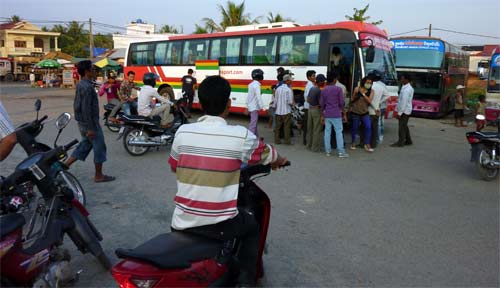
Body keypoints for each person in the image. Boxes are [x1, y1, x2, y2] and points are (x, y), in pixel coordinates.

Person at [168, 75, 287, 286]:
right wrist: (281, 160)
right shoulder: (240, 136)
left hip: (181, 220)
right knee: (251, 226)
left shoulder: (182, 131)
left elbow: (174, 166)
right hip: (219, 223)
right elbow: (270, 155)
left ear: (200, 102)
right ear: (229, 104)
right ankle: (245, 282)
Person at [65, 60, 115, 183]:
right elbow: (86, 108)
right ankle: (99, 176)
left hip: (83, 122)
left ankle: (63, 166)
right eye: (92, 69)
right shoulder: (87, 87)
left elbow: (78, 106)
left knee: (85, 145)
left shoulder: (82, 84)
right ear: (87, 71)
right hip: (90, 123)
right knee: (99, 148)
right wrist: (91, 128)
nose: (94, 71)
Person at [321, 73, 349, 158]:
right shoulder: (338, 89)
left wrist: (322, 114)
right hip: (336, 114)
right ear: (334, 80)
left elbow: (322, 104)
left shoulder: (324, 90)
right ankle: (341, 152)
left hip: (327, 113)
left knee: (327, 132)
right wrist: (344, 113)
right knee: (339, 132)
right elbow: (341, 103)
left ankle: (328, 151)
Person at [350, 77, 374, 152]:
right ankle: (353, 142)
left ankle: (367, 143)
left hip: (365, 112)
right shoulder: (357, 88)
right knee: (355, 127)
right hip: (355, 111)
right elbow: (352, 99)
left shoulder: (372, 91)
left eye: (370, 83)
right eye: (367, 82)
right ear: (364, 82)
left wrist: (363, 93)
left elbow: (369, 101)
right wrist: (355, 92)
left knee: (368, 126)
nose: (369, 84)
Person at [368, 70, 391, 148]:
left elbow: (367, 99)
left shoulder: (370, 86)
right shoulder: (382, 86)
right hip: (378, 108)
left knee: (368, 126)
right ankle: (376, 141)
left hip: (370, 109)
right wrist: (380, 102)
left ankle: (368, 142)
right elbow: (388, 96)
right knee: (377, 125)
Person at [391, 74, 414, 147]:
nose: (401, 80)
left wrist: (399, 113)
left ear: (407, 80)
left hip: (404, 111)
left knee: (401, 127)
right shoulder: (405, 87)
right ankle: (408, 140)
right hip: (405, 110)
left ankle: (400, 142)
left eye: (402, 79)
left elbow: (403, 102)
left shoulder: (407, 90)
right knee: (404, 126)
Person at [272, 73, 294, 144]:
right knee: (286, 127)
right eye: (290, 80)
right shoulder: (288, 90)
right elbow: (290, 102)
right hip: (286, 111)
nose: (291, 81)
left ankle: (277, 140)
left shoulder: (278, 89)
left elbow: (275, 100)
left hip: (278, 111)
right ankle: (287, 141)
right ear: (287, 81)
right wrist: (293, 105)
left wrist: (274, 107)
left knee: (277, 127)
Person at [306, 73, 324, 152]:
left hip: (310, 109)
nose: (324, 82)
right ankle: (314, 148)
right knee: (316, 129)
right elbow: (320, 103)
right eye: (323, 81)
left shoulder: (312, 88)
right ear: (320, 82)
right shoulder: (318, 90)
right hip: (316, 110)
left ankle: (308, 145)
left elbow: (308, 99)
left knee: (310, 128)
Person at [246, 69, 264, 137]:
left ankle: (256, 137)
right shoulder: (257, 85)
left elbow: (249, 96)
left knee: (254, 122)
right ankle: (250, 138)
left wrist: (247, 106)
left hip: (251, 106)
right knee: (253, 124)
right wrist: (263, 107)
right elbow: (258, 97)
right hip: (254, 107)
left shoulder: (251, 84)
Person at [303, 70, 316, 146]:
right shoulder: (310, 85)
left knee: (308, 125)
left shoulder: (309, 84)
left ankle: (306, 140)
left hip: (307, 106)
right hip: (309, 107)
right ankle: (306, 140)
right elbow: (308, 98)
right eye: (313, 76)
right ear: (309, 77)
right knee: (308, 126)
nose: (315, 77)